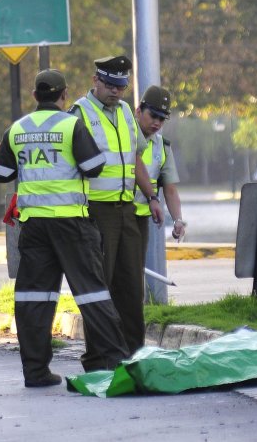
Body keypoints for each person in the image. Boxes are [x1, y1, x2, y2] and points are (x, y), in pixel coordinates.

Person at [0, 69, 130, 387]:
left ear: (35, 95)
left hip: (34, 227)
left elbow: (0, 172)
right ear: (64, 94)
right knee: (93, 294)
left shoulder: (18, 128)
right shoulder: (71, 124)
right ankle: (116, 365)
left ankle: (36, 372)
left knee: (33, 298)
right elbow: (93, 167)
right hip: (71, 225)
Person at [69, 55, 163, 367]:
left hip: (127, 210)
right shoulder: (80, 113)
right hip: (96, 212)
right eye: (110, 85)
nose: (116, 91)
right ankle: (99, 357)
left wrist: (151, 196)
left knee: (131, 286)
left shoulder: (124, 112)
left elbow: (135, 159)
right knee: (100, 287)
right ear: (95, 80)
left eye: (121, 86)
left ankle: (132, 354)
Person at [133, 85, 186, 248]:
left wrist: (178, 220)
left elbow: (170, 190)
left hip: (140, 219)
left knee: (135, 271)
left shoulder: (162, 147)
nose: (157, 122)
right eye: (153, 116)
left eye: (162, 119)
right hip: (114, 213)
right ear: (138, 111)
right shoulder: (123, 135)